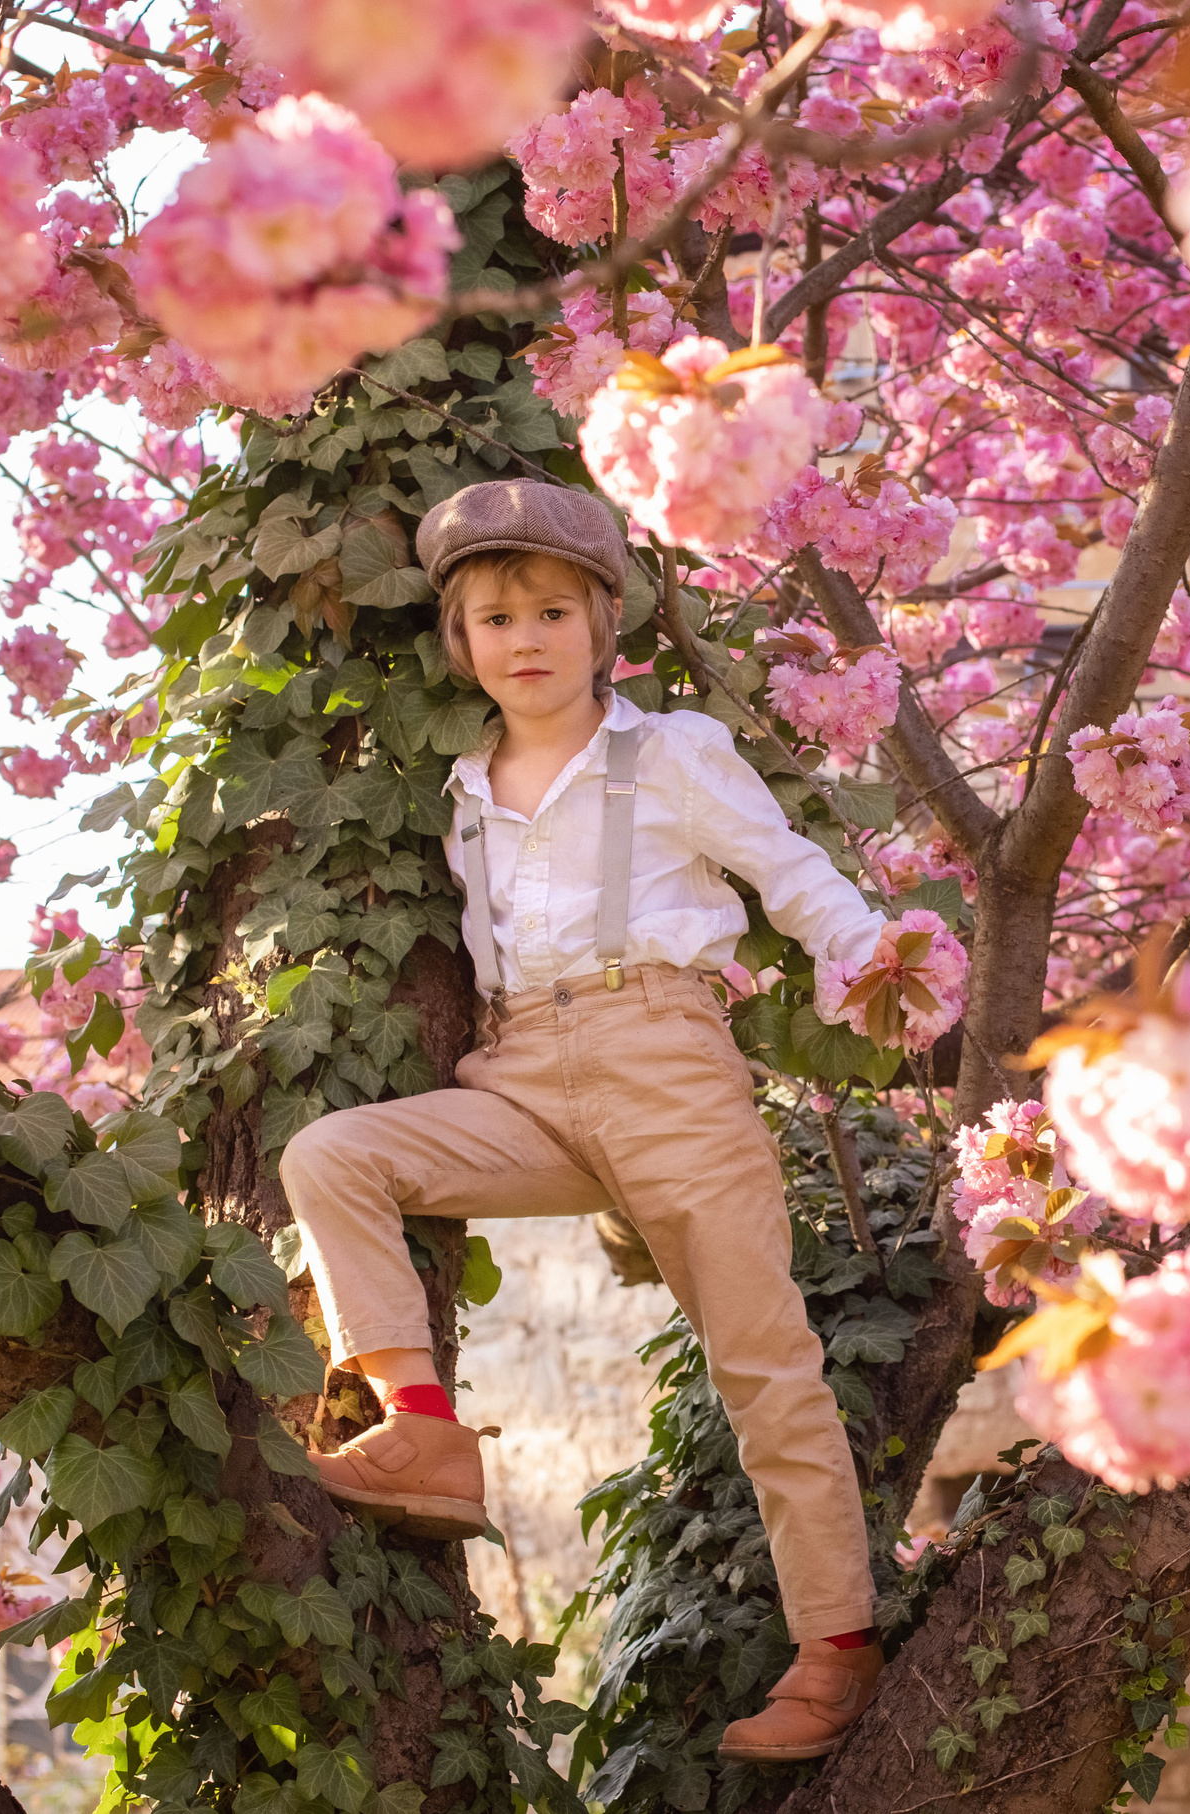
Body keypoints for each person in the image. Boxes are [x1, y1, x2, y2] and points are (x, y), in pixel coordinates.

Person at [276, 478, 906, 1762]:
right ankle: (428, 1433)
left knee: (762, 1363)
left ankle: (835, 1648)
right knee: (333, 1153)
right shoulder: (464, 791)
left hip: (666, 1063)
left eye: (554, 610)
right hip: (519, 1071)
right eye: (496, 616)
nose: (526, 637)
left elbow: (791, 874)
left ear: (603, 623)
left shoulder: (671, 753)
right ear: (461, 640)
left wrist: (884, 963)